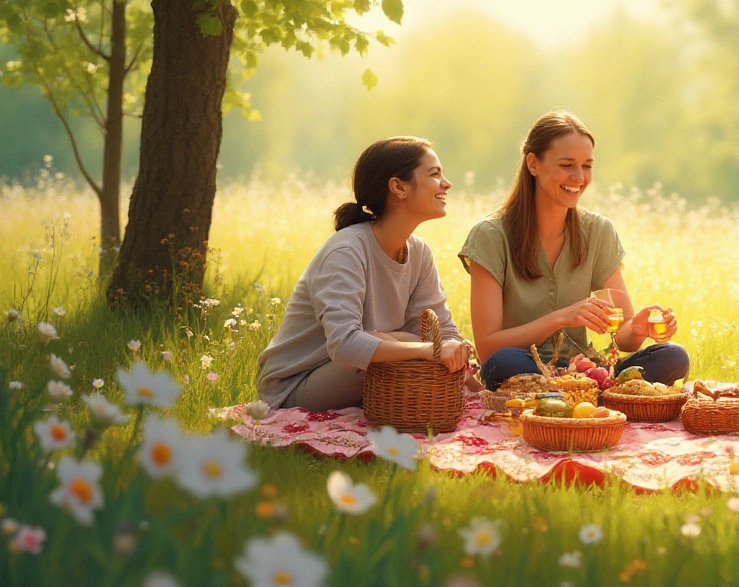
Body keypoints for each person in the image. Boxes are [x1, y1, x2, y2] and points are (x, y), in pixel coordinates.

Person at [460, 111, 690, 390]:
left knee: (674, 356)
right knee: (502, 363)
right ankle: (599, 395)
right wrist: (562, 317)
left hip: (581, 370)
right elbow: (486, 348)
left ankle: (583, 393)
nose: (579, 177)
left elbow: (624, 337)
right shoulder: (490, 236)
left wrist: (639, 328)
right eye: (567, 165)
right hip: (523, 366)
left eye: (587, 166)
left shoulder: (598, 232)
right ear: (533, 163)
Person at [257, 137, 470, 412]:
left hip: (355, 377)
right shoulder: (346, 251)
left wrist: (470, 376)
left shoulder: (419, 253)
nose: (446, 183)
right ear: (398, 187)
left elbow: (441, 329)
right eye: (435, 174)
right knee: (406, 344)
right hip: (295, 388)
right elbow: (345, 346)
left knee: (415, 343)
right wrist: (430, 350)